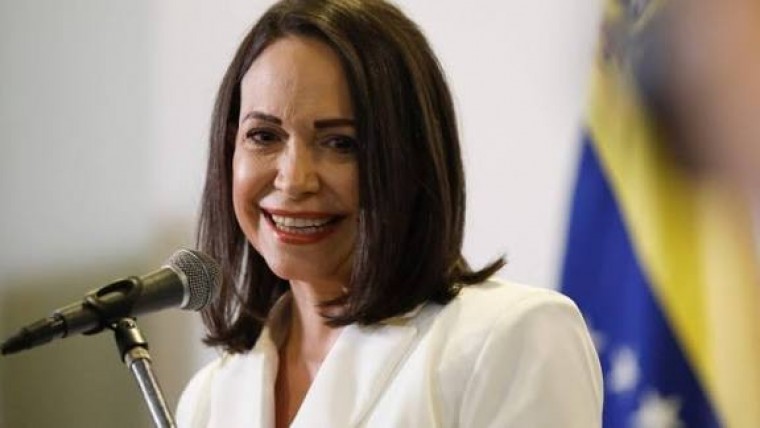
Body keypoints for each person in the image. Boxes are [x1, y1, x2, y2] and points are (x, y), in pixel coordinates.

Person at [177, 0, 602, 426]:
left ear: (412, 161)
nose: (293, 180)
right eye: (264, 136)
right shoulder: (208, 400)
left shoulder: (513, 338)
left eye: (340, 143)